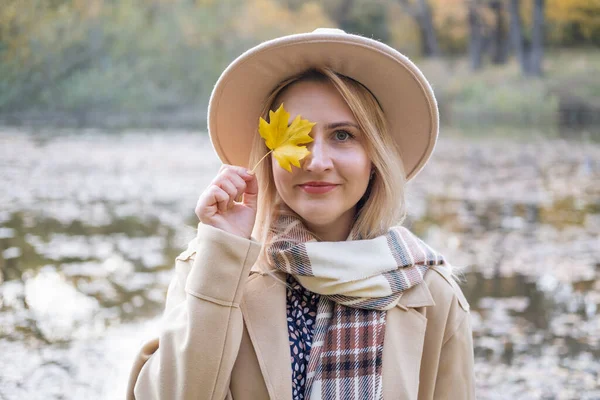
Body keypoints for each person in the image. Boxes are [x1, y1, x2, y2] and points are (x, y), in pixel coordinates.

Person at [126, 28, 475, 400]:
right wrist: (221, 255)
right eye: (297, 138)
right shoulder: (213, 266)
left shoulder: (431, 291)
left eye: (342, 136)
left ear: (374, 158)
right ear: (270, 152)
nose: (317, 161)